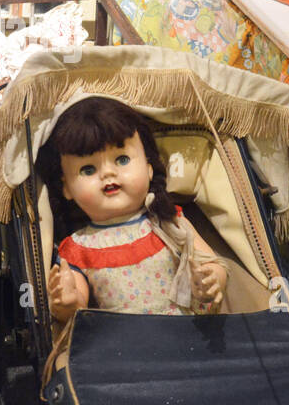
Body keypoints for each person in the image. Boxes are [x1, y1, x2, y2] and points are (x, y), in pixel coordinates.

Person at [37, 97, 227, 320]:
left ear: (149, 168)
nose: (108, 173)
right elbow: (78, 305)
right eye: (88, 170)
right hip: (125, 343)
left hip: (184, 330)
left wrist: (211, 279)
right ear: (66, 187)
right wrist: (66, 301)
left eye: (122, 159)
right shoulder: (78, 248)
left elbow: (212, 263)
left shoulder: (168, 221)